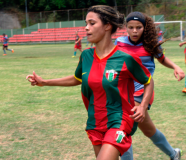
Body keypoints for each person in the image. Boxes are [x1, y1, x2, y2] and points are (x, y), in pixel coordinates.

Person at [26, 5, 154, 160]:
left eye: (92, 23)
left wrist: (142, 105)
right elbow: (77, 79)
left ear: (107, 26)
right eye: (86, 23)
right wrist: (44, 82)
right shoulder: (86, 56)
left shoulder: (126, 58)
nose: (86, 28)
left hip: (120, 121)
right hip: (95, 121)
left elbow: (148, 81)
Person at [115, 11, 185, 160]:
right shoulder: (119, 42)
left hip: (143, 91)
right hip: (123, 91)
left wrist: (176, 67)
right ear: (126, 27)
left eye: (138, 27)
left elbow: (162, 59)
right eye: (131, 27)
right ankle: (174, 154)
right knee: (149, 130)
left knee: (123, 128)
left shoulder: (150, 44)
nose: (134, 31)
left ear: (144, 27)